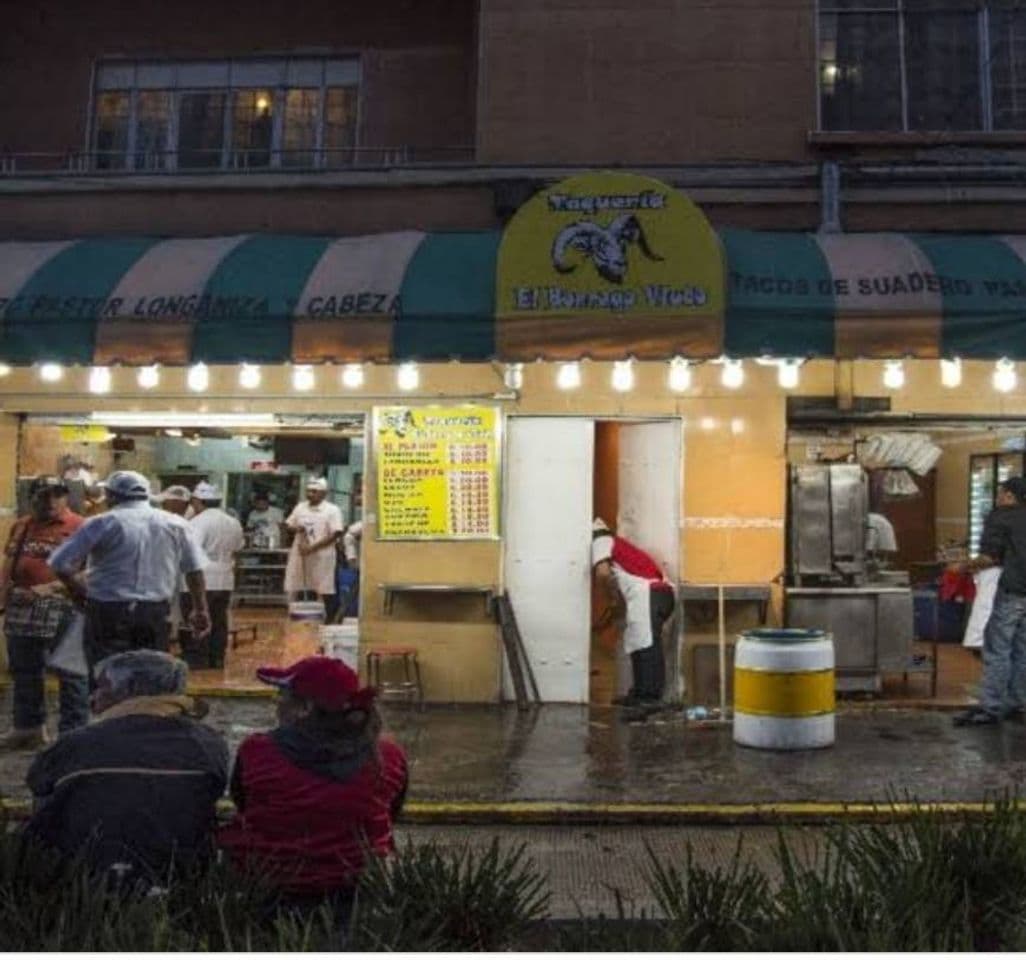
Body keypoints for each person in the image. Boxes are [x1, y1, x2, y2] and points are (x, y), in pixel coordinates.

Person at [219, 656, 407, 911]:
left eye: (282, 695)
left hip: (270, 892)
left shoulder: (257, 751)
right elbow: (391, 812)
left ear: (305, 708)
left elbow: (244, 803)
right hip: (359, 895)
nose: (277, 704)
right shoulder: (389, 758)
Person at [24, 649, 228, 883]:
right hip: (180, 876)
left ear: (129, 691)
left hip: (85, 877)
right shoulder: (209, 743)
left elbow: (37, 784)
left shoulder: (75, 744)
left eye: (102, 687)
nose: (94, 698)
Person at [48, 470, 211, 679]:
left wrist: (79, 592)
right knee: (151, 676)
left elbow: (60, 563)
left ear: (110, 495)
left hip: (106, 612)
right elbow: (194, 570)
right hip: (154, 614)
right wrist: (200, 609)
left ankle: (108, 710)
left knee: (105, 676)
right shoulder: (176, 524)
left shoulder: (101, 522)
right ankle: (143, 709)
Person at [0, 477, 87, 749]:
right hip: (22, 607)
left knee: (71, 672)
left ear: (66, 497)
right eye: (44, 495)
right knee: (25, 670)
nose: (51, 501)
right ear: (32, 497)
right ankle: (28, 728)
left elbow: (92, 570)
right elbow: (9, 562)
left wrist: (51, 588)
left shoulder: (81, 527)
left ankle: (73, 734)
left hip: (64, 607)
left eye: (57, 495)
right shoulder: (22, 525)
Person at [952, 477, 1026, 726]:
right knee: (1022, 650)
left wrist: (962, 567)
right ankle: (1016, 703)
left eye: (1000, 493)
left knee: (998, 649)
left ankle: (991, 707)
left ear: (1009, 496)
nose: (997, 497)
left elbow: (989, 557)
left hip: (1014, 591)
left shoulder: (1001, 516)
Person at [591, 517, 676, 712]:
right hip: (654, 594)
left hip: (650, 593)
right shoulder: (614, 544)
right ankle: (639, 693)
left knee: (646, 644)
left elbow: (603, 573)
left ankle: (650, 698)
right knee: (638, 642)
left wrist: (609, 597)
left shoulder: (600, 541)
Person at [182, 482, 245, 670]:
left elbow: (191, 552)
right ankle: (217, 658)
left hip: (202, 579)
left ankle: (197, 660)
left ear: (198, 501)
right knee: (219, 620)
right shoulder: (233, 521)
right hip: (225, 578)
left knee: (197, 619)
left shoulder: (197, 522)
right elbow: (238, 548)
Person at [285, 478, 344, 622]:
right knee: (297, 583)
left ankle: (330, 620)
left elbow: (336, 533)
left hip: (322, 556)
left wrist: (312, 548)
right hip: (301, 554)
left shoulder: (332, 510)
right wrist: (296, 528)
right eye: (308, 491)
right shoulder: (300, 507)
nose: (310, 494)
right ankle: (299, 617)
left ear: (324, 493)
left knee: (325, 588)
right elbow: (288, 524)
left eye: (314, 492)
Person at [338, 519, 363, 618]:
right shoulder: (362, 525)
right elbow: (348, 536)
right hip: (366, 564)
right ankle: (339, 618)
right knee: (353, 592)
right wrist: (351, 557)